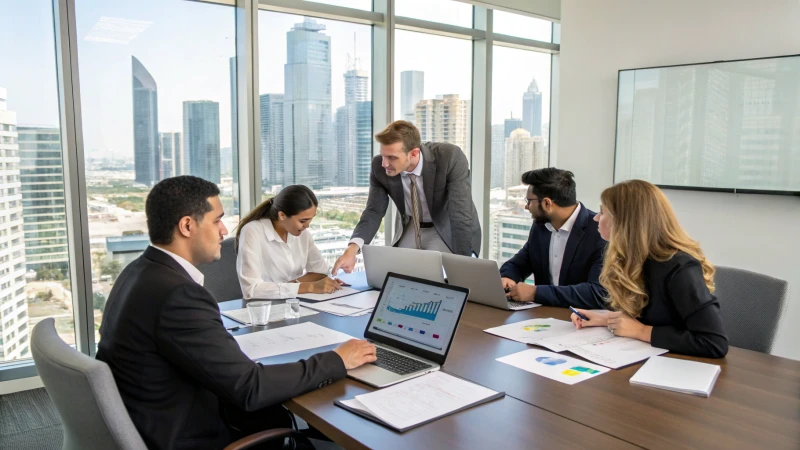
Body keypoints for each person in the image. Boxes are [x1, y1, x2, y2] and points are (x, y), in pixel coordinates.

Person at [96, 176, 377, 450]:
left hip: (155, 416)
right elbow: (250, 387)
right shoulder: (179, 295)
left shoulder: (138, 272)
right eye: (217, 220)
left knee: (276, 415)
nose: (224, 231)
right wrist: (336, 359)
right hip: (188, 434)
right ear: (187, 225)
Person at [570, 180, 728, 358]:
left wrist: (642, 331)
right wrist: (606, 319)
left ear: (625, 222)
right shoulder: (632, 260)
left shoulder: (680, 268)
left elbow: (714, 343)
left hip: (680, 368)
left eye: (602, 212)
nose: (596, 218)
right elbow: (656, 315)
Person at [332, 120, 481, 274]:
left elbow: (460, 214)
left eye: (392, 158)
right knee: (396, 275)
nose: (384, 164)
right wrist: (351, 250)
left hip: (444, 226)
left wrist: (465, 263)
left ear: (414, 153)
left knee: (433, 276)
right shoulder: (379, 167)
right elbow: (373, 212)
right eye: (383, 155)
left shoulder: (450, 157)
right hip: (410, 225)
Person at [500, 168, 607, 309]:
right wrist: (507, 277)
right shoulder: (541, 226)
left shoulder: (600, 232)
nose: (526, 206)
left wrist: (536, 293)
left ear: (547, 203)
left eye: (529, 201)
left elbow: (597, 292)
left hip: (580, 321)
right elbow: (518, 263)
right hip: (542, 318)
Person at [236, 185, 345, 299]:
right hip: (264, 308)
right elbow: (251, 290)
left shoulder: (302, 234)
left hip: (296, 303)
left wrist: (297, 285)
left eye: (311, 219)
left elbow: (320, 271)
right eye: (303, 220)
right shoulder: (252, 231)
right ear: (282, 215)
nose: (307, 226)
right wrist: (310, 287)